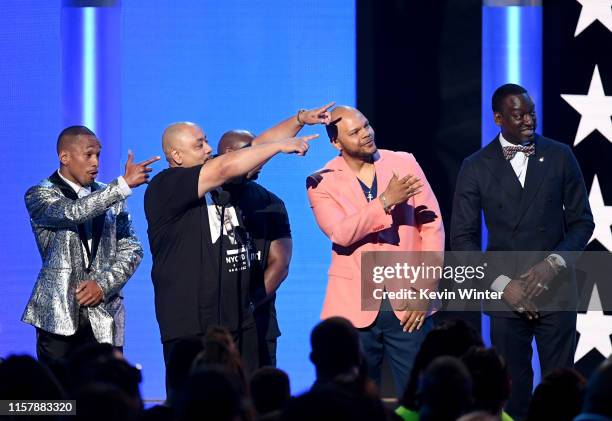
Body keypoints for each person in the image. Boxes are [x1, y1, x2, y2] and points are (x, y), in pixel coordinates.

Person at [144, 109, 325, 381]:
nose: (208, 148)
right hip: (190, 326)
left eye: (206, 141)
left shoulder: (218, 176)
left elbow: (253, 150)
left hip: (239, 322)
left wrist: (297, 120)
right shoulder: (166, 185)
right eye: (199, 144)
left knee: (243, 400)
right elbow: (227, 165)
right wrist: (279, 146)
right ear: (176, 156)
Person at [451, 83, 594, 420]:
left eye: (531, 112)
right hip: (505, 295)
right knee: (512, 391)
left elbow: (582, 223)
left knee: (561, 391)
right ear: (498, 118)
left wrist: (553, 264)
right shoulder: (475, 166)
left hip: (556, 290)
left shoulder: (560, 156)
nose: (529, 120)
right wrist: (503, 286)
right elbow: (463, 239)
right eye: (519, 115)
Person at [306, 105, 445, 396]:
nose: (366, 134)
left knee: (420, 396)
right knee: (355, 400)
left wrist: (424, 291)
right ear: (336, 142)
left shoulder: (403, 163)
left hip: (409, 304)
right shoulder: (321, 180)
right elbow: (341, 233)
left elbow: (431, 227)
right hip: (353, 307)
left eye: (366, 125)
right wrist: (384, 201)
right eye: (355, 132)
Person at [23, 125, 158, 371]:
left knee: (105, 397)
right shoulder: (39, 195)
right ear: (64, 157)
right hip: (58, 315)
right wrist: (122, 186)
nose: (95, 162)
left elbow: (132, 248)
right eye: (88, 155)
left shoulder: (110, 195)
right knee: (59, 398)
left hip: (104, 314)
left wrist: (103, 285)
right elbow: (72, 212)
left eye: (98, 154)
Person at [217, 112, 329, 367]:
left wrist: (249, 304)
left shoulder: (271, 202)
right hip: (210, 321)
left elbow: (280, 263)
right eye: (253, 152)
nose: (262, 159)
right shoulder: (205, 191)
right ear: (227, 152)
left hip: (258, 322)